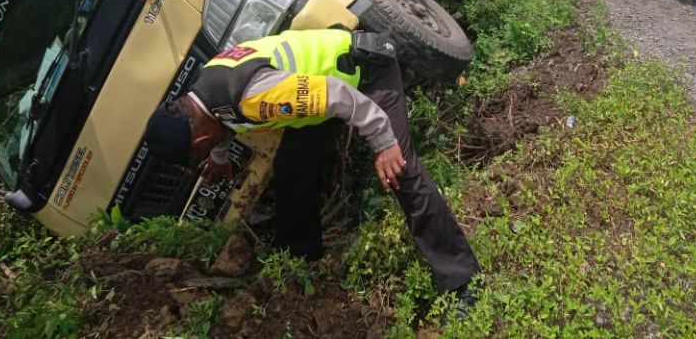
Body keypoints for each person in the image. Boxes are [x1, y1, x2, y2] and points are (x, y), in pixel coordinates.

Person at [143, 28, 480, 300]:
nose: (207, 152)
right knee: (292, 168)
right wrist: (218, 158)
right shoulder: (204, 88)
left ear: (200, 139)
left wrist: (384, 142)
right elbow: (224, 120)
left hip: (365, 74)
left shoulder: (256, 97)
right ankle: (302, 258)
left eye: (201, 152)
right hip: (324, 87)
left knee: (400, 171)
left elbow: (339, 97)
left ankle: (462, 281)